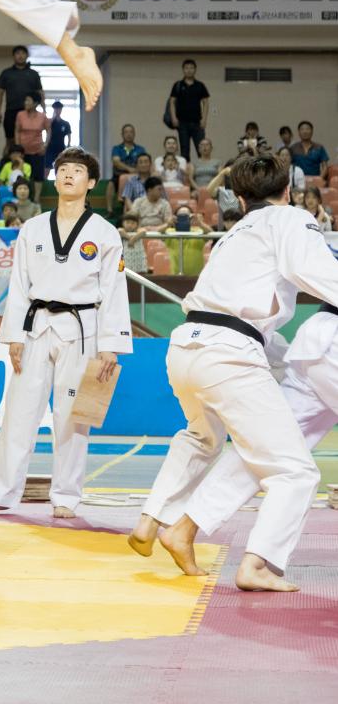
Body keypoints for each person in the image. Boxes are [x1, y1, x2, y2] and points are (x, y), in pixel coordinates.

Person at [128, 152, 338, 593]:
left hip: (188, 347)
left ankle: (169, 523)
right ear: (287, 192)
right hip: (229, 354)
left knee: (223, 444)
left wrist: (281, 356)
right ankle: (259, 565)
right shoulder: (289, 219)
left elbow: (247, 323)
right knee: (295, 472)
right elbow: (312, 272)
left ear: (240, 199)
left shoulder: (231, 236)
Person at [0, 147, 131, 519]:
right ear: (54, 178)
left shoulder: (104, 233)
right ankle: (2, 492)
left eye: (77, 171)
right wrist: (13, 335)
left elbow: (113, 289)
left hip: (81, 328)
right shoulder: (33, 228)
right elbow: (17, 284)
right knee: (18, 412)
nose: (68, 176)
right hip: (36, 325)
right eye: (63, 170)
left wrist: (111, 346)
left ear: (91, 182)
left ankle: (66, 496)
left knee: (73, 418)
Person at [0, 47, 44, 147]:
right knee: (10, 141)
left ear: (27, 56)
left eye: (23, 53)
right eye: (18, 53)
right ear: (13, 56)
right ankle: (8, 162)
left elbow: (40, 93)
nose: (20, 56)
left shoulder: (33, 74)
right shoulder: (6, 73)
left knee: (29, 140)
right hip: (11, 111)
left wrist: (44, 110)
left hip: (30, 112)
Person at [167, 59, 209, 162]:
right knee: (184, 150)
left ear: (195, 70)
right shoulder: (178, 85)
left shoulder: (200, 85)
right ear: (183, 70)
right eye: (186, 68)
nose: (189, 70)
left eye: (191, 68)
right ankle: (186, 173)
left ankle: (202, 171)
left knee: (201, 148)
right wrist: (173, 117)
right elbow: (172, 102)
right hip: (182, 123)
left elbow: (206, 102)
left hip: (197, 123)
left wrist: (204, 119)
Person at [14, 94, 51, 199]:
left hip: (38, 151)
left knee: (38, 176)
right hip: (23, 151)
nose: (26, 103)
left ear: (35, 103)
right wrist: (17, 147)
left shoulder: (42, 116)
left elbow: (49, 130)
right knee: (23, 175)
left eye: (28, 101)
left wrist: (45, 145)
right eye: (25, 101)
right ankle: (23, 197)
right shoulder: (20, 115)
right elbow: (17, 130)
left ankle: (36, 199)